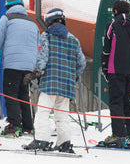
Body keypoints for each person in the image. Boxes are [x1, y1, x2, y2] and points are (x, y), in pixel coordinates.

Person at [23, 8, 87, 153]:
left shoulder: (46, 36)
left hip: (50, 81)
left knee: (43, 112)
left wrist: (35, 73)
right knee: (62, 114)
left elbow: (42, 57)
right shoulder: (73, 39)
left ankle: (42, 139)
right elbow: (81, 63)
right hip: (67, 84)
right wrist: (74, 76)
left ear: (49, 22)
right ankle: (64, 142)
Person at [99, 0, 130, 148]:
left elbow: (106, 50)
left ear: (115, 11)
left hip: (115, 69)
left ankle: (119, 136)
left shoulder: (112, 26)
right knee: (126, 102)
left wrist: (105, 68)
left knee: (115, 102)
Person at [0, 0, 41, 137]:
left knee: (11, 94)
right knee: (24, 95)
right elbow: (37, 46)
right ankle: (28, 126)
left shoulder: (7, 19)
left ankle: (14, 124)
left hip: (12, 64)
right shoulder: (33, 23)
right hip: (29, 66)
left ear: (8, 7)